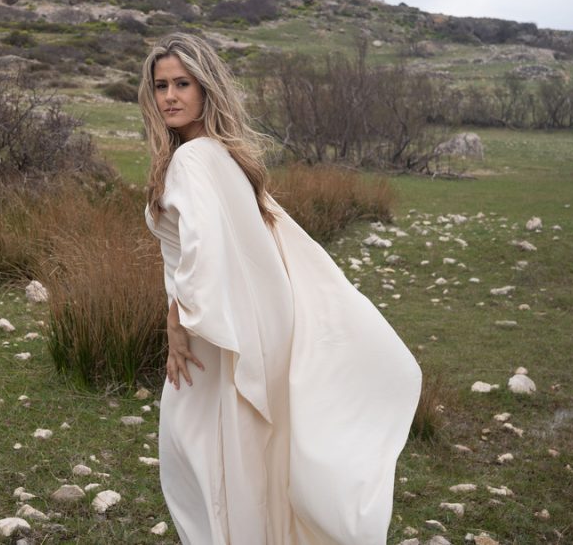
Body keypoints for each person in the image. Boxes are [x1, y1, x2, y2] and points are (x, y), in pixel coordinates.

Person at [139, 32, 422, 545]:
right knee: (241, 452)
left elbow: (203, 248)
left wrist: (177, 322)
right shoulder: (223, 154)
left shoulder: (194, 159)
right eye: (161, 86)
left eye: (183, 84)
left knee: (202, 451)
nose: (170, 97)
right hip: (247, 322)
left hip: (214, 328)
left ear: (206, 89)